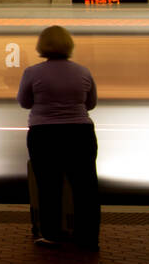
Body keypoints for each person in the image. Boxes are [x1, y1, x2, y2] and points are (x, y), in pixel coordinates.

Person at [17, 25, 100, 251]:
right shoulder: (83, 72)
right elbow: (90, 104)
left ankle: (52, 235)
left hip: (44, 134)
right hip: (80, 133)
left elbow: (24, 102)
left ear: (42, 45)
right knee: (85, 187)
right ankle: (88, 238)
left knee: (48, 185)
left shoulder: (32, 73)